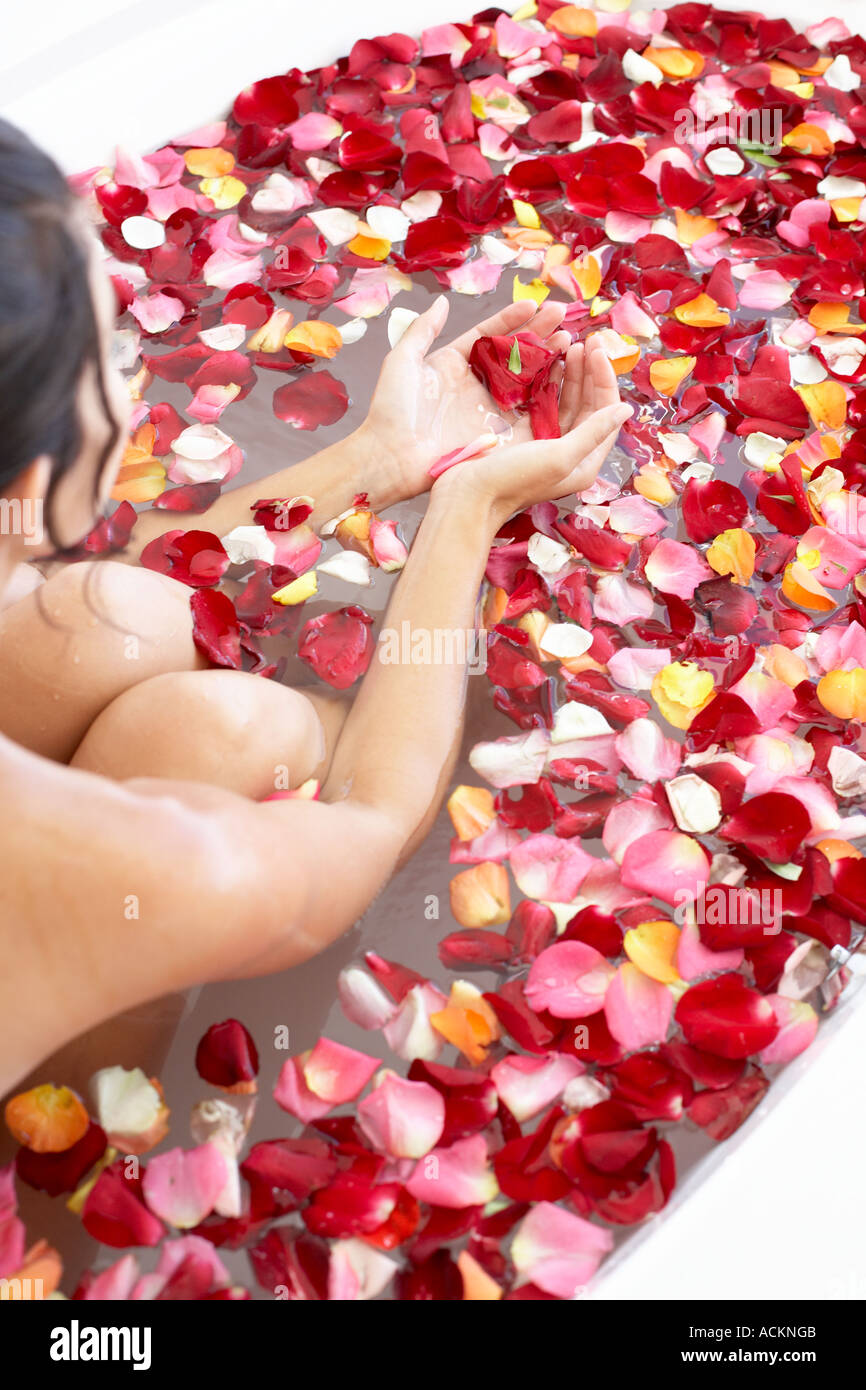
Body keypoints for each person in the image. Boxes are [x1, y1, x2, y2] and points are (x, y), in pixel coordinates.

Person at [0, 118, 631, 1097]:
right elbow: (368, 822)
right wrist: (471, 508)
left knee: (91, 628)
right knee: (227, 730)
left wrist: (376, 466)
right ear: (37, 471)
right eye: (113, 345)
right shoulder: (105, 865)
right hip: (76, 909)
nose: (128, 376)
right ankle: (90, 1073)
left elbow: (92, 574)